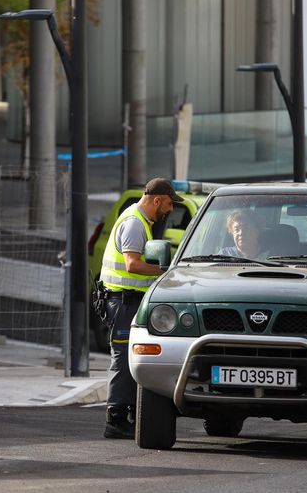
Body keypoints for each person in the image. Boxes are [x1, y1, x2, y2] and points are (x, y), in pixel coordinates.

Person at [99, 177, 182, 439]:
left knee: (131, 357)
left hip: (128, 300)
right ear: (156, 200)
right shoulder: (134, 223)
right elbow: (133, 265)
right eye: (168, 204)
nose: (169, 210)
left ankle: (127, 413)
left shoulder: (138, 220)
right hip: (122, 302)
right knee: (124, 359)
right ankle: (116, 419)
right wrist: (163, 272)